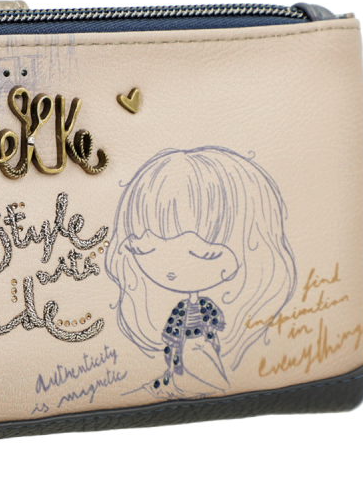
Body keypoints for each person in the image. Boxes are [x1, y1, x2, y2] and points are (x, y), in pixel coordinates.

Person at [105, 147, 296, 396]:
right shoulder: (182, 310)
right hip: (187, 354)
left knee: (206, 368)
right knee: (190, 367)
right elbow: (175, 332)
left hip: (205, 350)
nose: (171, 270)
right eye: (146, 250)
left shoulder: (209, 310)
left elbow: (212, 326)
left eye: (202, 253)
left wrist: (211, 339)